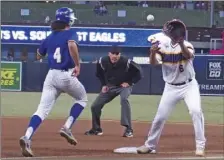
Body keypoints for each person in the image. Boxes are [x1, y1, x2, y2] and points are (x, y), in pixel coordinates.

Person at [19, 7, 88, 157]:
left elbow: (39, 55)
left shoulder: (50, 36)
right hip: (66, 74)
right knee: (82, 99)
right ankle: (67, 127)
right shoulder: (70, 33)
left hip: (51, 75)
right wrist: (77, 64)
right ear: (69, 20)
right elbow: (71, 45)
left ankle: (27, 136)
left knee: (41, 110)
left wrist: (49, 47)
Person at [137, 19, 206, 156]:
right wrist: (152, 53)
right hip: (171, 87)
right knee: (160, 117)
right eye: (173, 31)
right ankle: (149, 145)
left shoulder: (187, 45)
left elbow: (188, 55)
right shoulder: (162, 46)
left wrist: (181, 43)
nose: (174, 33)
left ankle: (200, 146)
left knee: (196, 111)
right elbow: (154, 63)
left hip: (188, 86)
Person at [85, 47, 143, 138]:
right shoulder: (102, 61)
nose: (115, 56)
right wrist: (104, 85)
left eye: (117, 54)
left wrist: (129, 82)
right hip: (110, 86)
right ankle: (96, 129)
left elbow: (139, 72)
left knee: (124, 99)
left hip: (123, 87)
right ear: (109, 54)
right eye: (113, 53)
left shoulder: (126, 61)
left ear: (120, 55)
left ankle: (128, 129)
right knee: (95, 106)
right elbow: (99, 73)